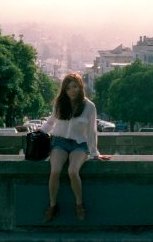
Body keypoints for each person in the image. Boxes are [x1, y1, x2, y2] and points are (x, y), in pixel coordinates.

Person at [40, 72, 111, 222]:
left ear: (80, 87)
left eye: (74, 87)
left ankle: (79, 205)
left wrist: (95, 153)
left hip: (79, 144)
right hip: (59, 142)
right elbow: (51, 121)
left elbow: (92, 131)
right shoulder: (60, 103)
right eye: (68, 88)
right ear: (64, 90)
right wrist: (39, 133)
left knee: (73, 171)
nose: (72, 90)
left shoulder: (89, 106)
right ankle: (53, 206)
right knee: (55, 171)